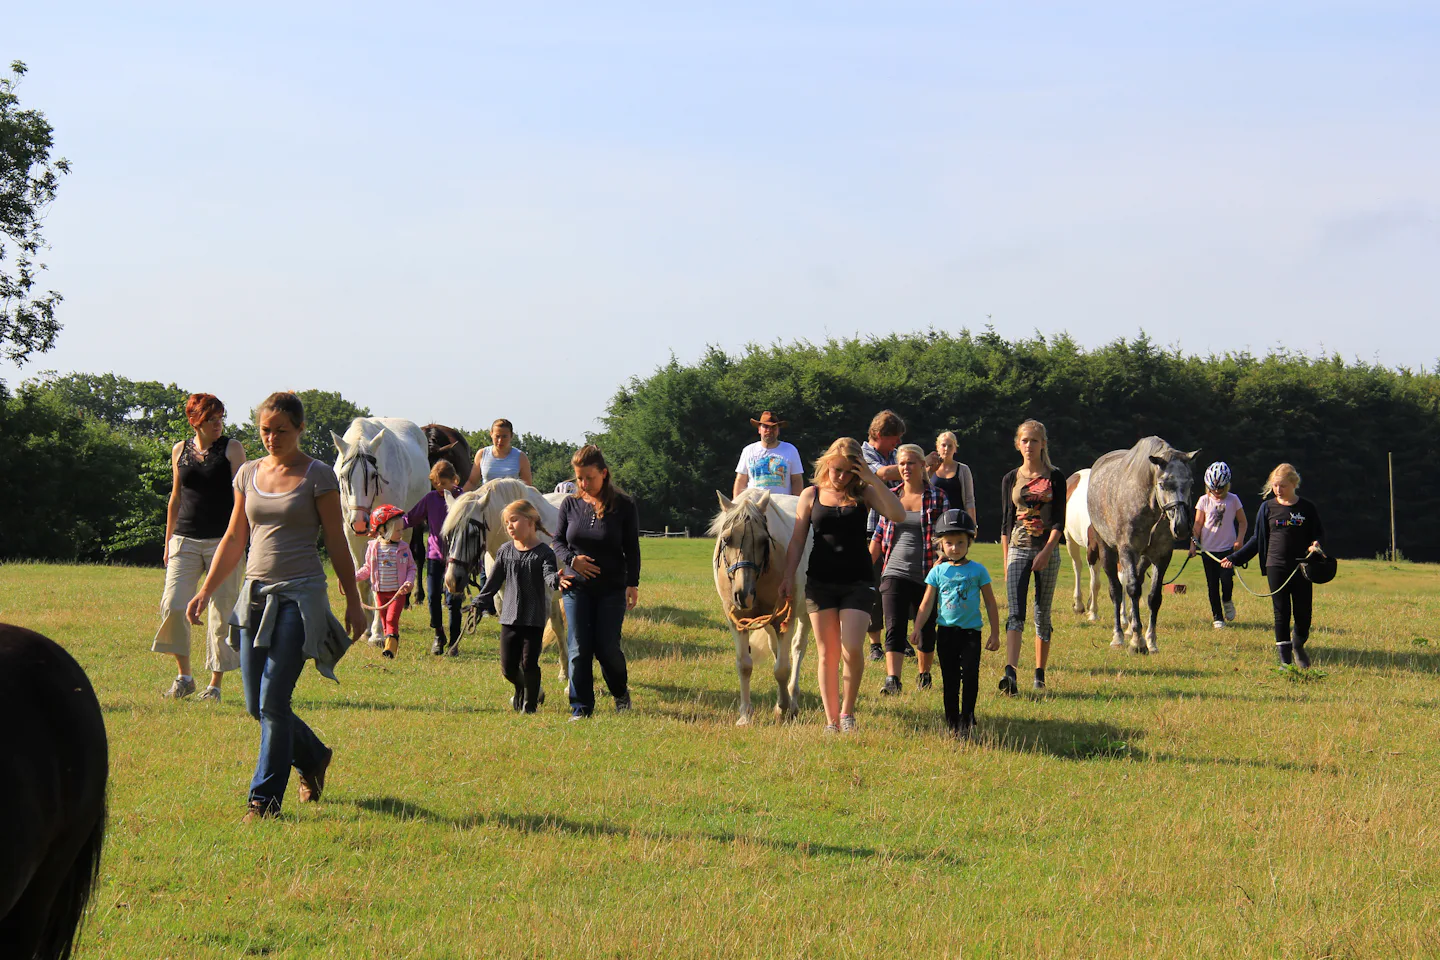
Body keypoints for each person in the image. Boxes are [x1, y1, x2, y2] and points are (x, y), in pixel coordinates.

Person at [186, 391, 368, 822]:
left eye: (281, 431)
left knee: (272, 699)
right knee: (256, 705)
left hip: (300, 596)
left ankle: (263, 801)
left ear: (300, 429)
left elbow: (336, 540)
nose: (271, 438)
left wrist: (354, 601)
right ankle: (314, 756)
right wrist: (206, 590)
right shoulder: (247, 474)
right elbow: (234, 539)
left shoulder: (318, 475)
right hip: (254, 594)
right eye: (265, 430)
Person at [778, 438, 905, 733]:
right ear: (826, 464)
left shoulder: (864, 494)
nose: (841, 477)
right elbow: (797, 541)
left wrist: (872, 477)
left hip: (857, 582)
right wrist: (787, 576)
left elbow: (897, 514)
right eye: (836, 469)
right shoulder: (810, 495)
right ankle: (831, 720)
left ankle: (848, 713)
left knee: (851, 648)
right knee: (827, 653)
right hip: (819, 583)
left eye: (849, 471)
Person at [154, 393, 246, 701]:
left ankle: (215, 685)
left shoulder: (233, 449)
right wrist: (168, 541)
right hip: (184, 538)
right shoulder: (179, 450)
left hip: (224, 541)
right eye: (211, 419)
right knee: (173, 604)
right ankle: (184, 677)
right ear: (195, 420)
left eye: (221, 417)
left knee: (222, 612)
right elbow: (176, 497)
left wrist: (241, 538)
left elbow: (241, 498)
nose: (218, 423)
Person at [552, 445, 640, 718]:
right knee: (578, 647)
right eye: (579, 478)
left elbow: (632, 549)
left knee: (606, 648)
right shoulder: (570, 504)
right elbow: (557, 541)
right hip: (576, 587)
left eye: (589, 477)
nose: (583, 483)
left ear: (604, 473)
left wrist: (632, 584)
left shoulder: (624, 505)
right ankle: (581, 708)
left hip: (611, 588)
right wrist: (571, 560)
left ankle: (620, 692)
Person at [1223, 464, 1326, 667]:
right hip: (1276, 566)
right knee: (1281, 612)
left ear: (1294, 484)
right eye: (1275, 485)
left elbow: (1319, 534)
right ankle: (1285, 661)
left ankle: (1298, 645)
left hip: (1302, 568)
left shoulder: (1307, 508)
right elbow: (1256, 540)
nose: (1278, 490)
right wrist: (1235, 558)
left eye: (1283, 486)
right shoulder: (1267, 508)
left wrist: (1316, 545)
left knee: (1303, 613)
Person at [912, 509, 1000, 739]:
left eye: (960, 542)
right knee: (950, 678)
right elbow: (926, 604)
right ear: (941, 544)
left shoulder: (979, 570)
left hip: (971, 634)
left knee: (971, 675)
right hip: (946, 633)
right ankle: (952, 722)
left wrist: (995, 634)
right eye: (949, 543)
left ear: (970, 541)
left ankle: (968, 717)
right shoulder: (938, 571)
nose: (955, 547)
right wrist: (917, 627)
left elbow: (991, 603)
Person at [870, 443, 948, 695]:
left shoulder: (937, 496)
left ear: (923, 466)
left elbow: (946, 535)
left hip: (927, 571)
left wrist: (942, 559)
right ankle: (893, 679)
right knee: (894, 624)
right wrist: (864, 566)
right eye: (901, 463)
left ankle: (924, 673)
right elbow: (879, 536)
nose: (905, 468)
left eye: (910, 463)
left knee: (926, 628)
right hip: (893, 570)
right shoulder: (891, 496)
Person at [998, 419, 1067, 694]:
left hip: (1047, 549)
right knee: (1015, 613)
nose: (1029, 445)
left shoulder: (1055, 477)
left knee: (1042, 613)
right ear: (1018, 444)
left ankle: (1039, 674)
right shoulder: (1011, 478)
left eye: (1034, 440)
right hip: (1018, 548)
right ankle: (1010, 673)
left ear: (1043, 444)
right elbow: (1005, 523)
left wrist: (1047, 552)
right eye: (1024, 440)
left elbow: (1059, 522)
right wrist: (1006, 560)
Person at [474, 499, 560, 713]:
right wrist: (479, 601)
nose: (509, 526)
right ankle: (527, 689)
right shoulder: (505, 551)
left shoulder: (544, 553)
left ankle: (529, 706)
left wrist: (556, 579)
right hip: (509, 618)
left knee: (529, 663)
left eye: (514, 520)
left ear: (531, 521)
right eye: (506, 522)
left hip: (534, 618)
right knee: (508, 669)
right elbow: (493, 581)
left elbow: (549, 575)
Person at [405, 460, 465, 655]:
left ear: (454, 480)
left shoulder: (463, 498)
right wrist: (391, 522)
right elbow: (412, 518)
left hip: (456, 559)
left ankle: (454, 641)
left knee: (454, 600)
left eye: (444, 483)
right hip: (434, 556)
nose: (439, 487)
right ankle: (439, 635)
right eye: (436, 483)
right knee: (432, 597)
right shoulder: (430, 498)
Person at [862, 410, 906, 662]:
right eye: (893, 438)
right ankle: (875, 644)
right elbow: (883, 474)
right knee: (874, 586)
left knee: (896, 585)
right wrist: (914, 464)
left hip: (895, 528)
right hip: (871, 530)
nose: (897, 444)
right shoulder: (863, 454)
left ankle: (896, 639)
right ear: (879, 435)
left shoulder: (891, 455)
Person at [354, 504, 417, 659]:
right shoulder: (374, 547)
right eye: (397, 530)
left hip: (397, 593)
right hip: (380, 593)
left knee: (391, 619)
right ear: (382, 530)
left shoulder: (403, 548)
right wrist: (352, 578)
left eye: (402, 530)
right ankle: (391, 644)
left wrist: (409, 583)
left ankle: (390, 650)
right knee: (384, 621)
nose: (401, 533)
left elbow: (411, 568)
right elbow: (367, 568)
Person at [1189, 461, 1247, 629]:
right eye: (1214, 489)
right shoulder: (1203, 501)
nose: (1217, 492)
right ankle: (1217, 617)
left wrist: (1240, 540)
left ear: (1227, 485)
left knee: (1227, 580)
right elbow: (1198, 524)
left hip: (1227, 550)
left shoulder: (1233, 500)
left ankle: (1227, 600)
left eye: (1220, 489)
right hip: (1208, 550)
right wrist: (1193, 545)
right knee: (1212, 584)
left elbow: (1243, 522)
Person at [733, 411, 805, 496]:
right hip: (754, 505)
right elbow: (741, 480)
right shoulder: (748, 450)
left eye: (774, 427)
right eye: (766, 427)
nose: (769, 430)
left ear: (778, 430)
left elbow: (796, 480)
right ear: (759, 429)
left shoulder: (790, 450)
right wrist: (736, 504)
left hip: (781, 505)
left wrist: (796, 504)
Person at [463, 418, 532, 490]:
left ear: (511, 436)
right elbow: (472, 483)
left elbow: (527, 487)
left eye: (504, 436)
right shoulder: (482, 454)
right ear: (491, 434)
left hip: (511, 500)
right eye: (497, 436)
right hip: (486, 499)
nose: (500, 440)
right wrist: (459, 498)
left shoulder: (521, 457)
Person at [929, 431, 976, 526]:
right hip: (935, 521)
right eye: (943, 445)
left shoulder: (963, 470)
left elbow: (969, 500)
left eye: (950, 446)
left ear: (955, 448)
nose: (946, 449)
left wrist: (972, 524)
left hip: (958, 520)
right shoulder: (929, 470)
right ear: (937, 447)